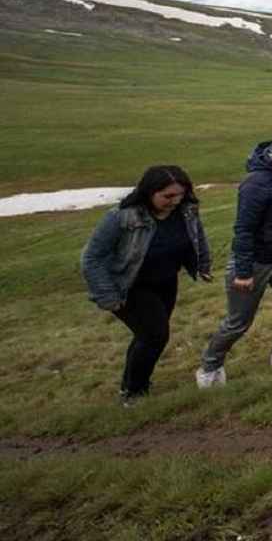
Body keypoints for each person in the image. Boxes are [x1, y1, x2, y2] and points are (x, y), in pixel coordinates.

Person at [196, 114, 272, 387]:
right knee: (238, 323)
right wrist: (243, 271)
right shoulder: (256, 183)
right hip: (255, 262)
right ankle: (210, 366)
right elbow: (243, 230)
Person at [81, 165, 211, 404]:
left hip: (166, 282)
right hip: (129, 286)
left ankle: (131, 385)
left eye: (179, 194)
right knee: (155, 335)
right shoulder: (121, 217)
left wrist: (203, 264)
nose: (175, 200)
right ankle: (134, 392)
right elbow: (91, 258)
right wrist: (107, 295)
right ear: (149, 192)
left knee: (147, 335)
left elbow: (196, 236)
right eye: (168, 196)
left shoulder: (186, 211)